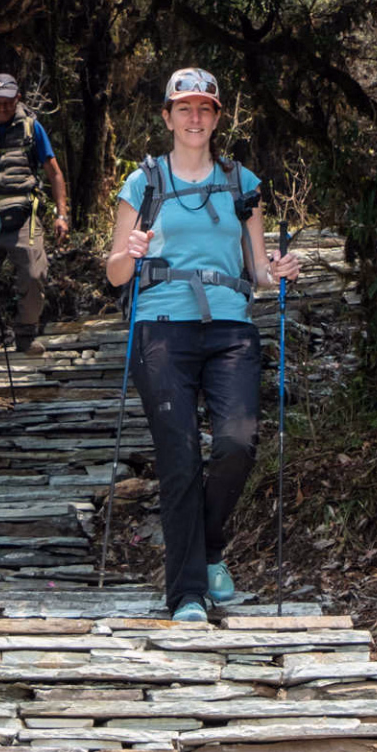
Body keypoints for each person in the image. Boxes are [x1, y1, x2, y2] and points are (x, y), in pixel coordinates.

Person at [103, 68, 300, 623]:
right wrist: (132, 252)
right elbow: (117, 273)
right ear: (167, 117)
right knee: (180, 455)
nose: (195, 118)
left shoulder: (243, 183)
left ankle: (209, 546)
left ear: (217, 118)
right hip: (161, 326)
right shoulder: (142, 185)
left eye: (205, 109)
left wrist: (280, 269)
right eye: (184, 108)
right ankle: (187, 592)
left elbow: (259, 268)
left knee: (237, 443)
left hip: (231, 327)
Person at [0, 75, 71, 350]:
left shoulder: (31, 127)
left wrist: (61, 215)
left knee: (34, 273)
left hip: (24, 216)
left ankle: (26, 335)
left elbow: (54, 172)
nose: (3, 108)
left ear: (18, 99)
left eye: (8, 102)